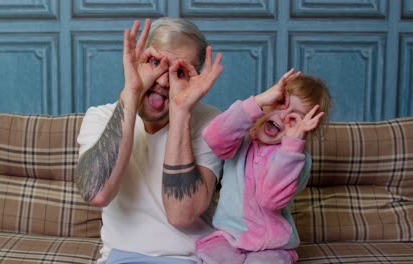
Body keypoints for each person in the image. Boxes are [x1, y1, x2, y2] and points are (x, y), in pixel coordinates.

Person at [75, 17, 224, 264]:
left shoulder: (210, 122)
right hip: (123, 258)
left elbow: (181, 214)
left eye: (179, 72)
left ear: (195, 78)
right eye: (155, 63)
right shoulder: (100, 117)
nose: (164, 81)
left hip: (192, 259)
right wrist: (132, 92)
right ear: (137, 61)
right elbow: (97, 193)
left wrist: (180, 112)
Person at [195, 69, 331, 264]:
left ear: (304, 131)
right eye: (279, 103)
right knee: (213, 256)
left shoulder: (295, 159)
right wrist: (258, 101)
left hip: (271, 243)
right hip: (228, 236)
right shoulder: (242, 136)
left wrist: (291, 147)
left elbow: (270, 200)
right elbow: (214, 137)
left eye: (294, 119)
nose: (283, 116)